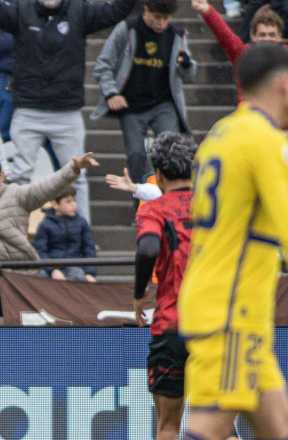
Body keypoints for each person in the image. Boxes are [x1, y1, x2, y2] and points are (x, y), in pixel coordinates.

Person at [178, 43, 288, 440]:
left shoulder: (221, 135)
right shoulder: (266, 141)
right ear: (284, 85)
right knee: (210, 428)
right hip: (231, 311)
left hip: (230, 305)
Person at [0, 0, 138, 223]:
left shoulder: (80, 11)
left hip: (66, 113)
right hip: (28, 111)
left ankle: (82, 240)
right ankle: (16, 232)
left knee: (78, 178)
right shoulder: (20, 11)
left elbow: (117, 10)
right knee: (19, 177)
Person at [0, 154, 99, 317]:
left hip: (21, 281)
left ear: (2, 176)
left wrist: (73, 168)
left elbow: (48, 186)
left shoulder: (18, 195)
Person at [127, 132, 195, 440]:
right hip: (218, 325)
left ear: (158, 173)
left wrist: (140, 294)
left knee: (168, 425)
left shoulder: (155, 208)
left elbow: (147, 249)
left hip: (172, 325)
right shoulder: (217, 207)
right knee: (218, 424)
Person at [92, 0, 197, 187]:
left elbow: (188, 75)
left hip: (163, 104)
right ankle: (140, 207)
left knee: (171, 152)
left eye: (166, 19)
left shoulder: (177, 34)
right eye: (157, 17)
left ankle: (169, 201)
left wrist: (187, 65)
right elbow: (102, 66)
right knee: (137, 155)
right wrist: (111, 93)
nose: (161, 23)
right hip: (132, 105)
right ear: (146, 10)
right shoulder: (127, 29)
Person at [193, 0, 284, 101]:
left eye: (272, 35)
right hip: (249, 114)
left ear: (279, 37)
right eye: (262, 35)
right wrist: (208, 11)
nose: (267, 39)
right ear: (253, 36)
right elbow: (226, 36)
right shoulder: (244, 55)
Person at [33, 188, 97, 282]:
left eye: (74, 200)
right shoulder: (45, 225)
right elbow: (40, 251)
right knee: (41, 277)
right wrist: (52, 270)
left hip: (75, 265)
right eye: (68, 202)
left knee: (78, 275)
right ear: (55, 204)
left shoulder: (82, 223)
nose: (74, 204)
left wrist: (89, 273)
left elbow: (89, 249)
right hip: (51, 266)